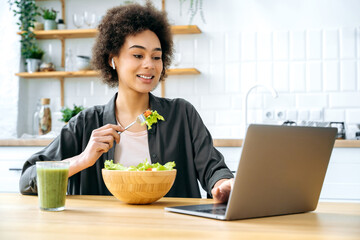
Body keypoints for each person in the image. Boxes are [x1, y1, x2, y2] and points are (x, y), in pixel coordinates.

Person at [20, 1, 234, 203]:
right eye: (138, 55)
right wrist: (83, 159)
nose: (149, 64)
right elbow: (27, 180)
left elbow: (214, 169)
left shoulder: (182, 114)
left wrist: (223, 185)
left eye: (156, 57)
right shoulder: (87, 123)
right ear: (113, 59)